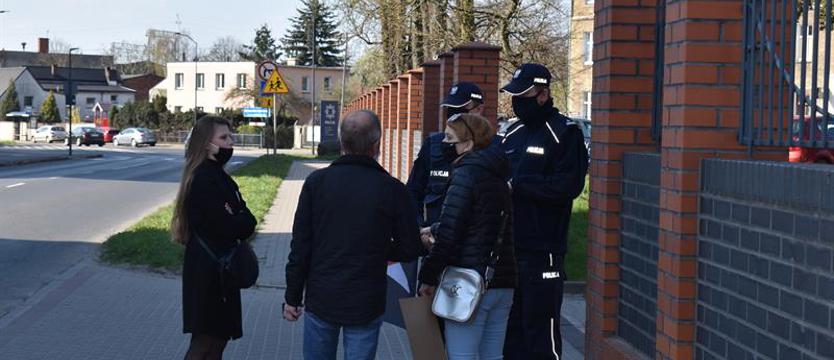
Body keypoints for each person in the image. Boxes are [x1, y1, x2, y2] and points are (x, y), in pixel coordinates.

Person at [284, 110, 425, 360]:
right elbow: (410, 248)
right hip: (366, 300)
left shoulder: (316, 183)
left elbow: (301, 246)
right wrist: (380, 249)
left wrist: (292, 297)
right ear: (377, 145)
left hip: (321, 296)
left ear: (341, 142)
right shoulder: (392, 189)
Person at [498, 64, 589, 359]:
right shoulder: (512, 133)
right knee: (511, 328)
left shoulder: (565, 134)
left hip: (543, 249)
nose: (516, 101)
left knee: (541, 328)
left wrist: (520, 186)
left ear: (542, 94)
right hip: (509, 249)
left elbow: (568, 186)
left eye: (522, 95)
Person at [418, 113, 517, 359]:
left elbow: (452, 233)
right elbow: (482, 222)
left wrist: (428, 276)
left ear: (469, 144)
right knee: (492, 356)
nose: (445, 144)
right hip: (502, 281)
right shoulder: (499, 177)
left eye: (450, 139)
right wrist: (437, 228)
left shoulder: (465, 174)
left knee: (462, 355)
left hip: (469, 284)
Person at [172, 116, 257, 360]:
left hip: (220, 269)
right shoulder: (203, 180)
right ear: (205, 144)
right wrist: (238, 217)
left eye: (231, 137)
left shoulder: (220, 177)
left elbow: (247, 220)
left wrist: (238, 216)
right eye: (223, 138)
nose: (230, 142)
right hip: (208, 271)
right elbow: (233, 226)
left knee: (218, 340)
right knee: (204, 342)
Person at [407, 82, 486, 228]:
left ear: (479, 110)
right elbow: (413, 190)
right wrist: (419, 227)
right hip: (432, 240)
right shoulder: (433, 145)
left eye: (459, 109)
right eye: (450, 109)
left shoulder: (491, 149)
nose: (453, 116)